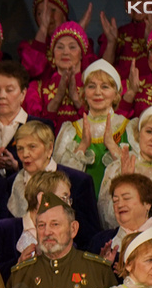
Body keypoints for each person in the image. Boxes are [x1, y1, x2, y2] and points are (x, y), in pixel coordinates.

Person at [5, 120, 101, 241]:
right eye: (20, 148)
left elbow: (90, 236)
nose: (25, 154)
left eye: (32, 147)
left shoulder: (78, 181)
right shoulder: (11, 183)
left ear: (50, 148)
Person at [51, 60, 130, 195]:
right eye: (91, 86)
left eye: (105, 87)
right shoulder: (70, 130)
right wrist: (82, 146)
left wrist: (112, 146)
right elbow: (58, 179)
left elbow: (136, 177)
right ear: (84, 92)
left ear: (116, 94)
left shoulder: (128, 129)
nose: (97, 92)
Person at [0, 170, 73, 282]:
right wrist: (18, 264)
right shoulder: (3, 229)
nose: (68, 205)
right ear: (42, 199)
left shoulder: (66, 236)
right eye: (63, 198)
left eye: (69, 199)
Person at [86, 173, 152, 263]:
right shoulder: (100, 241)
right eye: (115, 201)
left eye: (126, 198)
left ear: (147, 203)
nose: (119, 205)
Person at [23, 22, 91, 127]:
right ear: (53, 53)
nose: (65, 52)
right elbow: (34, 128)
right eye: (60, 47)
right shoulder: (37, 88)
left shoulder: (92, 87)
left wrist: (76, 99)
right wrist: (58, 98)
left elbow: (99, 123)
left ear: (82, 54)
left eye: (72, 47)